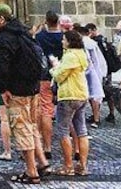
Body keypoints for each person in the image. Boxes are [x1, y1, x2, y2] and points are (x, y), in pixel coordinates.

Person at [0, 3, 50, 184]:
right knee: (31, 126)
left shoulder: (4, 37)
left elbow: (1, 66)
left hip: (17, 89)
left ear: (1, 19)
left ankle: (31, 172)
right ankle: (42, 162)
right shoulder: (24, 33)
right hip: (33, 87)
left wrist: (3, 89)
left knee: (21, 128)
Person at [49, 29, 90, 177]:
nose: (62, 41)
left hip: (68, 95)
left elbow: (60, 76)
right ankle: (83, 165)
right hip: (82, 94)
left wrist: (53, 68)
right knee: (82, 130)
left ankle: (68, 166)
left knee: (63, 130)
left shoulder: (70, 56)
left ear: (70, 41)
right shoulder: (81, 55)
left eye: (64, 39)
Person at [34, 11, 63, 157]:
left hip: (44, 76)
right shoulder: (64, 37)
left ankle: (46, 147)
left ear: (46, 21)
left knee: (44, 110)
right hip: (62, 77)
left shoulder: (40, 37)